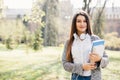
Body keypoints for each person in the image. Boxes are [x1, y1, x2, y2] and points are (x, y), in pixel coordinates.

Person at [62, 10, 109, 80]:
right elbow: (65, 64)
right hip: (76, 78)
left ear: (88, 23)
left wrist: (99, 59)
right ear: (74, 23)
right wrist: (82, 67)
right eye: (79, 21)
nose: (82, 24)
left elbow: (106, 61)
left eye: (85, 21)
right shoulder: (69, 42)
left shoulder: (95, 39)